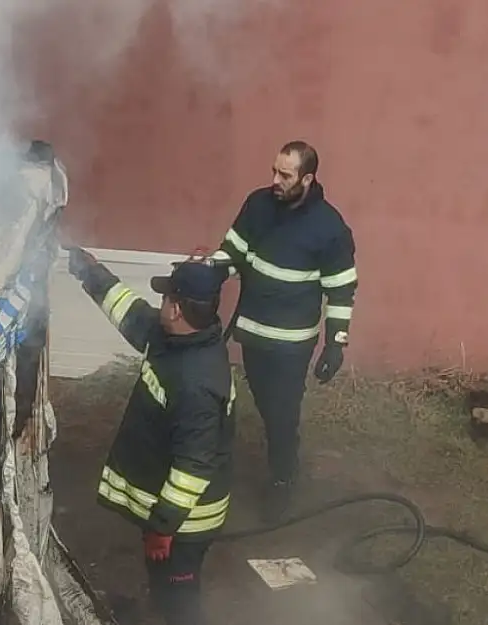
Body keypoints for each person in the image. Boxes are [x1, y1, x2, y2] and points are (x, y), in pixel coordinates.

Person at [65, 246, 235, 625]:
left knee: (180, 602)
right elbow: (128, 311)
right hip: (172, 518)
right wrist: (91, 272)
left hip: (185, 524)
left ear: (176, 308)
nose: (160, 304)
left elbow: (194, 466)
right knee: (165, 590)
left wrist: (162, 528)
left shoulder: (196, 384)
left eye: (166, 297)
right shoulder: (181, 339)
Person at [210, 140, 358, 520]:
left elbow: (341, 288)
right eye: (274, 171)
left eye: (285, 175)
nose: (275, 180)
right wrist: (204, 275)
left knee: (282, 411)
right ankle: (280, 451)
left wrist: (335, 343)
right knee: (264, 402)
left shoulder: (330, 228)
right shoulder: (258, 205)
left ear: (307, 178)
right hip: (254, 333)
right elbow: (233, 250)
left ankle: (282, 479)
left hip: (292, 345)